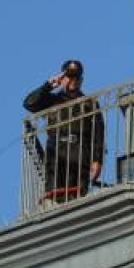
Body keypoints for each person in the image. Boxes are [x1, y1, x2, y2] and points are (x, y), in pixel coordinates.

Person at [23, 60, 105, 202]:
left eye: (76, 76)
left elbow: (98, 133)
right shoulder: (52, 100)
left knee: (79, 198)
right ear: (62, 78)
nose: (73, 80)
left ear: (81, 80)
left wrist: (97, 159)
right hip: (56, 153)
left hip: (80, 154)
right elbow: (29, 104)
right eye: (69, 76)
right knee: (55, 195)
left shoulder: (90, 103)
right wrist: (48, 85)